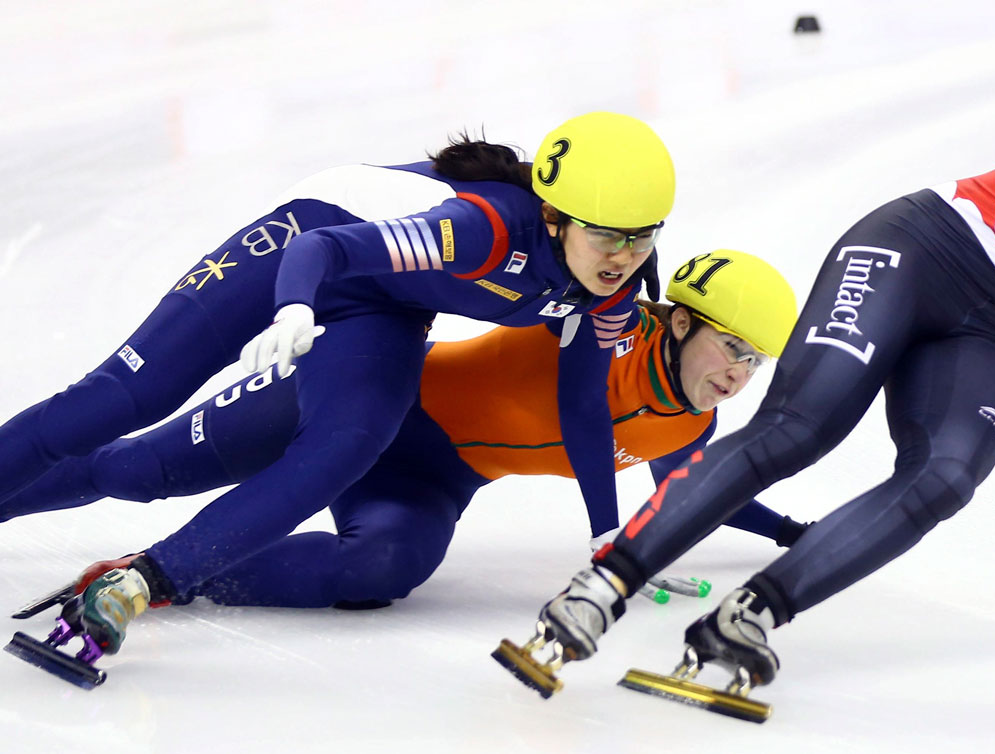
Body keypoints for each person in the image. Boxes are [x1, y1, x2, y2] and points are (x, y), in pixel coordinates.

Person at [495, 26, 995, 718]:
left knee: (949, 476)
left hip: (986, 318)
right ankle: (600, 589)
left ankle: (749, 616)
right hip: (914, 251)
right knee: (799, 429)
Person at [3, 112, 678, 659]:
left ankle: (142, 581)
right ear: (555, 218)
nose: (624, 257)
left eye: (642, 238)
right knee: (125, 401)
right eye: (608, 237)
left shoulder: (609, 294)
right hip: (310, 240)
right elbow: (324, 252)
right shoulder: (481, 235)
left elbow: (585, 404)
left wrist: (605, 535)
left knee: (346, 446)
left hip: (384, 303)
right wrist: (295, 306)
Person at [3, 251, 805, 614]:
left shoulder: (693, 415)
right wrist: (609, 538)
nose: (740, 372)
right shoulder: (603, 331)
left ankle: (166, 576)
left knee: (384, 571)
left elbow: (700, 482)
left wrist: (792, 533)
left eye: (757, 362)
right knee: (141, 469)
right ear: (675, 321)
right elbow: (586, 417)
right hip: (364, 393)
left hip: (428, 479)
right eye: (732, 347)